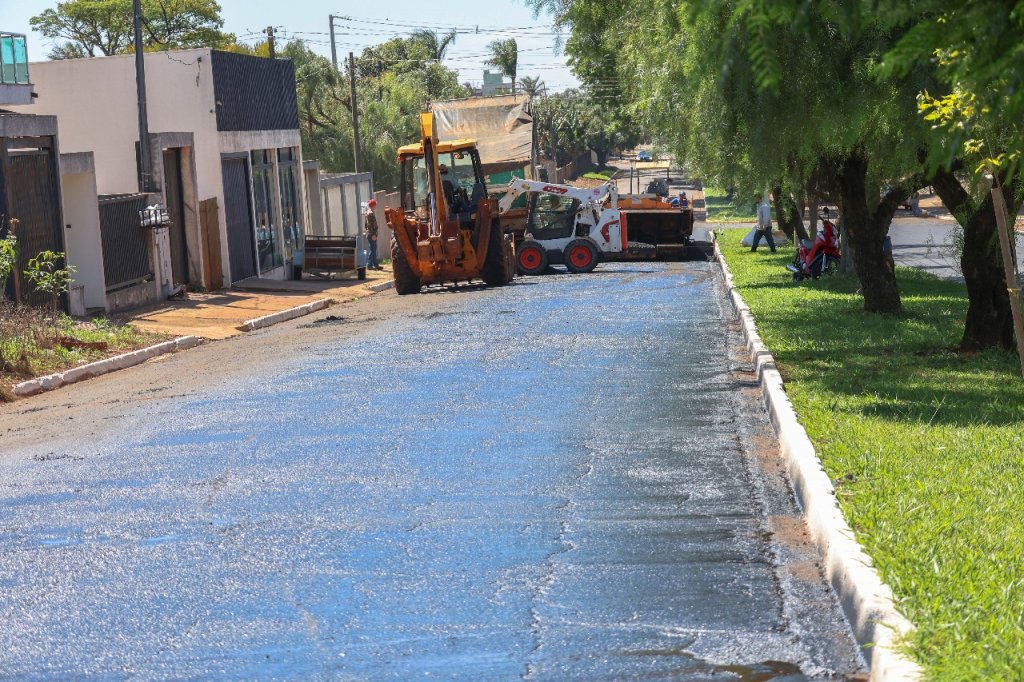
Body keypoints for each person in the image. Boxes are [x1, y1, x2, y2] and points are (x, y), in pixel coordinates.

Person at [364, 199, 383, 270]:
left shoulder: (367, 213)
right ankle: (369, 264)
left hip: (369, 233)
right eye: (375, 205)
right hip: (372, 234)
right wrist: (373, 234)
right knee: (373, 249)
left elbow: (366, 225)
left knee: (373, 249)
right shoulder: (371, 213)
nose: (376, 206)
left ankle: (375, 264)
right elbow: (370, 225)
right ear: (373, 205)